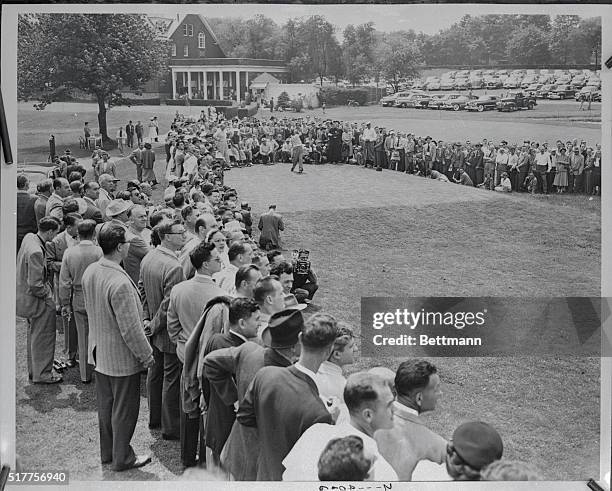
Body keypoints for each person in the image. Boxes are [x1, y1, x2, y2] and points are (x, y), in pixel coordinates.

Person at [82, 222, 154, 471]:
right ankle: (122, 457)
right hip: (120, 358)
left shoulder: (92, 270)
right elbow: (131, 329)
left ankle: (109, 453)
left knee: (106, 407)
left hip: (99, 351)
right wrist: (146, 356)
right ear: (121, 247)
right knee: (124, 410)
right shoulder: (120, 282)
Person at [236, 313, 339, 480]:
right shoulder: (321, 414)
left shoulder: (265, 374)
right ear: (328, 351)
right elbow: (313, 469)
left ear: (300, 338)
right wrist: (331, 421)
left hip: (260, 475)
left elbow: (245, 418)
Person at [204, 308, 304, 480]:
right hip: (261, 464)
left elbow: (210, 362)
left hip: (236, 450)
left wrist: (234, 398)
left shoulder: (248, 350)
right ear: (296, 346)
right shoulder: (287, 376)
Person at [168, 241, 225, 467]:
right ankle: (202, 458)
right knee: (205, 408)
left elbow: (172, 326)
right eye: (216, 259)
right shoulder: (220, 295)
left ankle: (187, 457)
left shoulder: (179, 289)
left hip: (185, 354)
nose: (220, 261)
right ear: (205, 264)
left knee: (188, 407)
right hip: (208, 359)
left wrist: (184, 347)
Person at [282, 371, 398, 481]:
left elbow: (287, 477)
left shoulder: (315, 431)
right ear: (368, 415)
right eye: (389, 404)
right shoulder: (378, 468)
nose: (395, 408)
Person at [138, 220, 186, 441]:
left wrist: (148, 319)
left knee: (155, 374)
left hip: (154, 328)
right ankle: (171, 427)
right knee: (171, 378)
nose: (184, 235)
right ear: (167, 236)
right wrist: (154, 323)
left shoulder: (150, 257)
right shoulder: (174, 266)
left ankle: (154, 417)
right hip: (166, 331)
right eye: (179, 232)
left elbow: (142, 290)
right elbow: (169, 306)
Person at [202, 298, 261, 468]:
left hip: (215, 418)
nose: (259, 324)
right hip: (227, 425)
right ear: (242, 323)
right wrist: (236, 400)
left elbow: (206, 382)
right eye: (256, 320)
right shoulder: (240, 350)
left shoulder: (215, 339)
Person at [375, 360, 447, 481]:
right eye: (436, 389)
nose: (440, 394)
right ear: (419, 398)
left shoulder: (368, 419)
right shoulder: (438, 446)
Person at [16, 217, 62, 384]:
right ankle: (43, 374)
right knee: (44, 337)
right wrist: (48, 296)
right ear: (49, 231)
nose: (56, 235)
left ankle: (34, 371)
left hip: (26, 298)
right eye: (56, 232)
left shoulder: (30, 237)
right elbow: (36, 285)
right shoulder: (36, 250)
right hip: (37, 299)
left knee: (34, 336)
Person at [58, 219, 103, 383]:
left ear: (78, 233)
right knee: (99, 335)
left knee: (82, 338)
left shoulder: (69, 252)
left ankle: (85, 375)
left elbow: (64, 281)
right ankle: (100, 371)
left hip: (78, 297)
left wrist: (65, 303)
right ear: (94, 234)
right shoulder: (99, 251)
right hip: (96, 296)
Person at [46, 212, 83, 368]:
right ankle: (70, 353)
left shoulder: (84, 238)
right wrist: (68, 264)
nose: (80, 229)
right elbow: (49, 263)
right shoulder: (55, 242)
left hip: (81, 287)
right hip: (65, 286)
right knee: (69, 322)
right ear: (68, 227)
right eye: (77, 227)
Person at [17, 175, 38, 253]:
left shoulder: (11, 198)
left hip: (15, 233)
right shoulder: (34, 199)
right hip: (30, 233)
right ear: (26, 185)